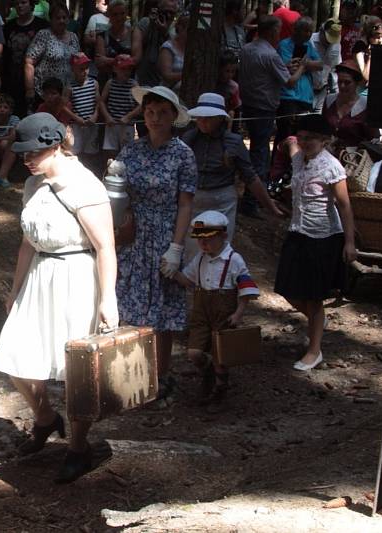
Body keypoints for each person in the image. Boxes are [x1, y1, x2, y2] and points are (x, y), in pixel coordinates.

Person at [0, 112, 118, 484]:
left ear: (55, 145)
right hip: (40, 276)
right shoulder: (34, 184)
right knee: (16, 358)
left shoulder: (85, 185)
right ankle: (45, 417)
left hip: (77, 278)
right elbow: (27, 243)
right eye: (24, 153)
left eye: (33, 153)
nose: (27, 160)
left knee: (78, 372)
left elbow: (105, 247)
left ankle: (79, 447)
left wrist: (107, 298)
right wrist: (15, 290)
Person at [114, 86, 196, 402]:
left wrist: (176, 247)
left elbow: (186, 203)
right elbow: (116, 192)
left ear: (174, 116)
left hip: (164, 233)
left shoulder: (182, 155)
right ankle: (133, 373)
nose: (155, 118)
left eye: (162, 112)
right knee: (131, 304)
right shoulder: (131, 151)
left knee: (163, 309)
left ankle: (162, 376)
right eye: (150, 112)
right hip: (133, 236)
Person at [274, 114, 356, 372]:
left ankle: (314, 350)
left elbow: (344, 205)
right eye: (303, 137)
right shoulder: (299, 158)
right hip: (298, 231)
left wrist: (349, 242)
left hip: (322, 237)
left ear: (324, 140)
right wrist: (288, 142)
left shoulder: (331, 167)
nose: (306, 142)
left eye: (312, 138)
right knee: (287, 287)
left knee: (314, 296)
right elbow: (290, 145)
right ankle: (317, 324)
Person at [181, 93, 284, 262]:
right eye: (200, 117)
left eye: (209, 118)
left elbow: (250, 177)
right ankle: (193, 284)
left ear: (220, 119)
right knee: (192, 249)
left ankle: (214, 286)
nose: (203, 122)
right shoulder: (188, 140)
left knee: (215, 249)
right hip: (193, 200)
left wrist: (269, 205)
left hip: (220, 202)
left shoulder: (233, 143)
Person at [173, 211, 260, 410]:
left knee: (221, 354)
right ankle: (208, 373)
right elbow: (188, 280)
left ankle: (220, 389)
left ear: (223, 236)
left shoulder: (234, 260)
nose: (203, 245)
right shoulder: (200, 259)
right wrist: (172, 272)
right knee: (194, 352)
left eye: (209, 239)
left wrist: (238, 313)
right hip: (201, 312)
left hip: (224, 313)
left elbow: (246, 288)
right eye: (200, 240)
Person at [238, 16, 300, 195]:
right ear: (272, 32)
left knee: (258, 149)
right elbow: (289, 82)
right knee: (260, 152)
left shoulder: (246, 48)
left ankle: (255, 195)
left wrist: (286, 66)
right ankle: (254, 198)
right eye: (278, 32)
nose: (279, 36)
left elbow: (267, 71)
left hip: (249, 104)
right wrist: (302, 67)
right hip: (263, 108)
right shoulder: (271, 54)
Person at [274, 16, 322, 150]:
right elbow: (288, 69)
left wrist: (304, 64)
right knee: (285, 135)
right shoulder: (285, 45)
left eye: (310, 31)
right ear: (296, 30)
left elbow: (320, 64)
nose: (308, 34)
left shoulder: (309, 46)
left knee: (302, 137)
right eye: (305, 31)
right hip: (288, 97)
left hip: (305, 97)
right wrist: (305, 65)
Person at [24, 2, 80, 112]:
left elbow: (77, 63)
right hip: (44, 94)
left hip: (66, 93)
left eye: (64, 17)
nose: (61, 21)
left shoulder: (74, 37)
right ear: (51, 19)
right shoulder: (44, 35)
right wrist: (29, 89)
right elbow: (29, 61)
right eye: (58, 18)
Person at [322, 60, 380, 156]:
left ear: (357, 83)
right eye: (340, 82)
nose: (342, 86)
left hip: (353, 160)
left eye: (347, 82)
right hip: (328, 156)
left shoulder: (365, 105)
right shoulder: (329, 100)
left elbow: (374, 139)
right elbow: (322, 129)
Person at [2, 0, 49, 117]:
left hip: (37, 83)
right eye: (17, 3)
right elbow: (2, 56)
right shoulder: (7, 27)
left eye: (23, 2)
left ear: (31, 4)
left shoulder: (42, 26)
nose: (20, 6)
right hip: (11, 82)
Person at [99, 54, 139, 162]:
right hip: (112, 123)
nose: (126, 71)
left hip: (127, 124)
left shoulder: (133, 84)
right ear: (115, 69)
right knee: (110, 153)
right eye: (123, 68)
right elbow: (101, 102)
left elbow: (141, 105)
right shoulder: (110, 83)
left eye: (129, 69)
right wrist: (107, 117)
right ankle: (110, 172)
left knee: (127, 152)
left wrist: (128, 117)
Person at [131, 0, 177, 88]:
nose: (169, 15)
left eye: (172, 13)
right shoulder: (145, 22)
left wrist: (164, 32)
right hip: (142, 77)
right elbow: (136, 51)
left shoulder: (175, 30)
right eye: (166, 12)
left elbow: (174, 52)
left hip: (162, 82)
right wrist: (151, 25)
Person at [68, 53, 101, 161]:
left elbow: (98, 102)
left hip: (91, 123)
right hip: (77, 125)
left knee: (91, 151)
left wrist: (95, 115)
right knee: (76, 151)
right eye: (81, 69)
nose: (85, 71)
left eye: (87, 68)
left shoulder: (94, 83)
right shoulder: (70, 87)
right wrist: (75, 118)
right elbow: (63, 106)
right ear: (73, 69)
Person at [93, 0, 132, 83]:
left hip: (129, 84)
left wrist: (107, 60)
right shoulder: (102, 36)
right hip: (107, 83)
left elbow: (136, 60)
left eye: (122, 13)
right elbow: (100, 64)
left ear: (127, 13)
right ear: (109, 15)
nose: (119, 17)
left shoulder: (133, 33)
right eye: (115, 14)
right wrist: (125, 62)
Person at [309, 19, 342, 111]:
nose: (329, 42)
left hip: (324, 90)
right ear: (321, 31)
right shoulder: (310, 40)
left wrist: (335, 90)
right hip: (308, 88)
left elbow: (335, 68)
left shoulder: (336, 45)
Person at [158, 12, 188, 91]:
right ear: (180, 27)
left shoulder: (193, 49)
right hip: (168, 91)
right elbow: (166, 75)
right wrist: (187, 75)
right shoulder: (168, 47)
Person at [353, 16, 382, 86]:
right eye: (377, 37)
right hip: (362, 90)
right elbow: (366, 77)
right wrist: (371, 56)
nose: (380, 41)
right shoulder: (360, 46)